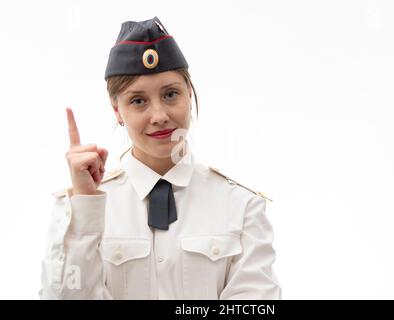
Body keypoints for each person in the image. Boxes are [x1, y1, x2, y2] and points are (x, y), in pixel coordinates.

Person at [39, 16, 281, 300]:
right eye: (138, 100)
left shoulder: (241, 205)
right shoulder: (79, 206)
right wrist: (84, 209)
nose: (159, 116)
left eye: (170, 94)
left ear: (189, 95)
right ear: (117, 110)